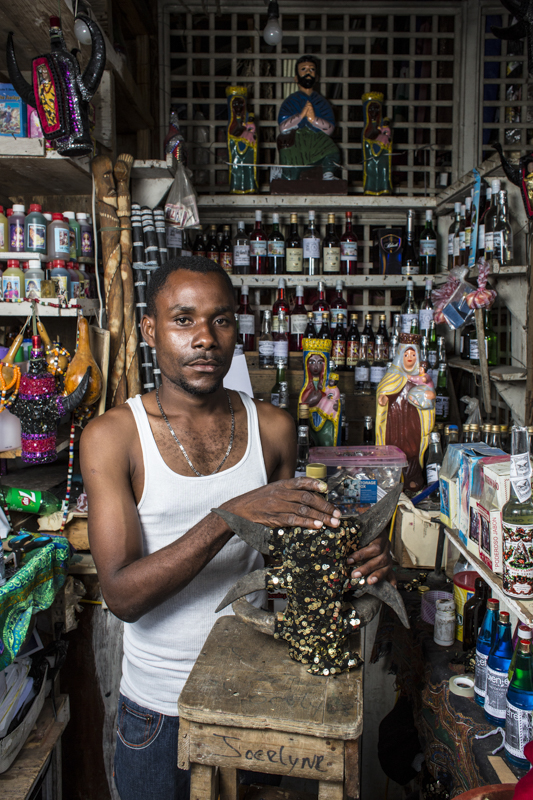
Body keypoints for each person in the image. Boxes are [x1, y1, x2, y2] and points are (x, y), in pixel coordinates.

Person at [80, 256, 393, 800]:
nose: (204, 338)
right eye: (183, 320)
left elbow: (287, 567)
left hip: (258, 697)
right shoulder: (113, 437)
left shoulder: (272, 428)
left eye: (220, 321)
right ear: (151, 329)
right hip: (160, 711)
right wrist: (233, 516)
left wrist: (353, 558)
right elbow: (123, 596)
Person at [375, 334, 435, 490]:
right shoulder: (392, 375)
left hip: (413, 420)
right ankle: (390, 479)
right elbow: (384, 392)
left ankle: (412, 478)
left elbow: (429, 396)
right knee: (394, 446)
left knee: (412, 448)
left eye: (413, 355)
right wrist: (383, 399)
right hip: (394, 419)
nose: (410, 358)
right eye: (407, 354)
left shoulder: (421, 377)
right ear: (400, 355)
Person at [277, 55, 341, 180]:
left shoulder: (321, 102)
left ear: (316, 77)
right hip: (297, 139)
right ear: (296, 78)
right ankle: (290, 179)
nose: (308, 73)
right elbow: (283, 127)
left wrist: (313, 119)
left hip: (317, 139)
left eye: (311, 70)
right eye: (303, 69)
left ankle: (327, 174)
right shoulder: (290, 101)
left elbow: (330, 128)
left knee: (333, 150)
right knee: (287, 151)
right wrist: (301, 116)